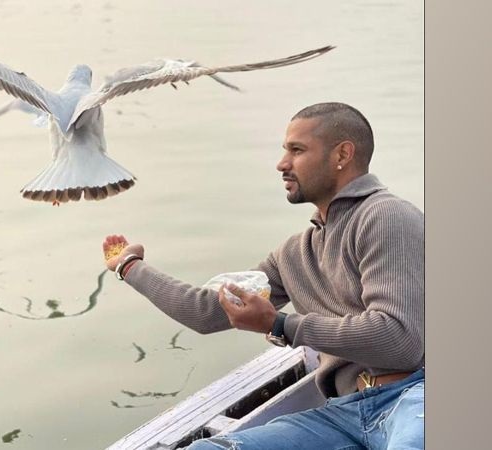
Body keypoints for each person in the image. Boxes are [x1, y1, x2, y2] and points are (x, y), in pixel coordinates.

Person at [102, 102, 424, 449]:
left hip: (415, 398)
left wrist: (279, 325)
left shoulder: (387, 217)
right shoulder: (294, 253)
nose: (282, 163)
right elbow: (207, 312)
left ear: (342, 154)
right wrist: (129, 267)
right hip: (343, 414)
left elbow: (399, 340)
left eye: (296, 150)